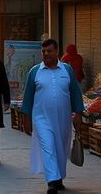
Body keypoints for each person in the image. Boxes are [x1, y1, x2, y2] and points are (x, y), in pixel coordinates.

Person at [20, 39, 85, 193]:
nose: (46, 54)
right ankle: (51, 181)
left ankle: (58, 177)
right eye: (44, 51)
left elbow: (76, 93)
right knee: (48, 146)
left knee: (61, 148)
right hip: (42, 119)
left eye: (49, 51)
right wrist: (26, 119)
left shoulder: (67, 70)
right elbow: (28, 96)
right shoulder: (35, 71)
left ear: (57, 52)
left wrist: (78, 114)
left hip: (63, 119)